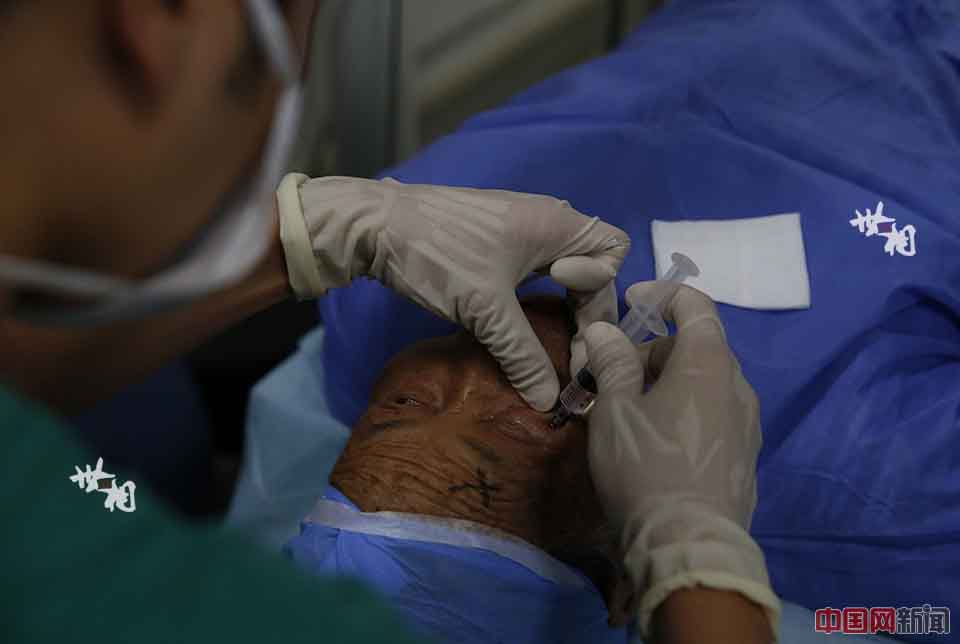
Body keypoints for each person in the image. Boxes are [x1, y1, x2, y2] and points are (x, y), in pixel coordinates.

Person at [0, 1, 779, 643]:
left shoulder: (76, 484)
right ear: (160, 21)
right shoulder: (201, 605)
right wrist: (702, 569)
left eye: (529, 422)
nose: (452, 385)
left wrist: (318, 237)